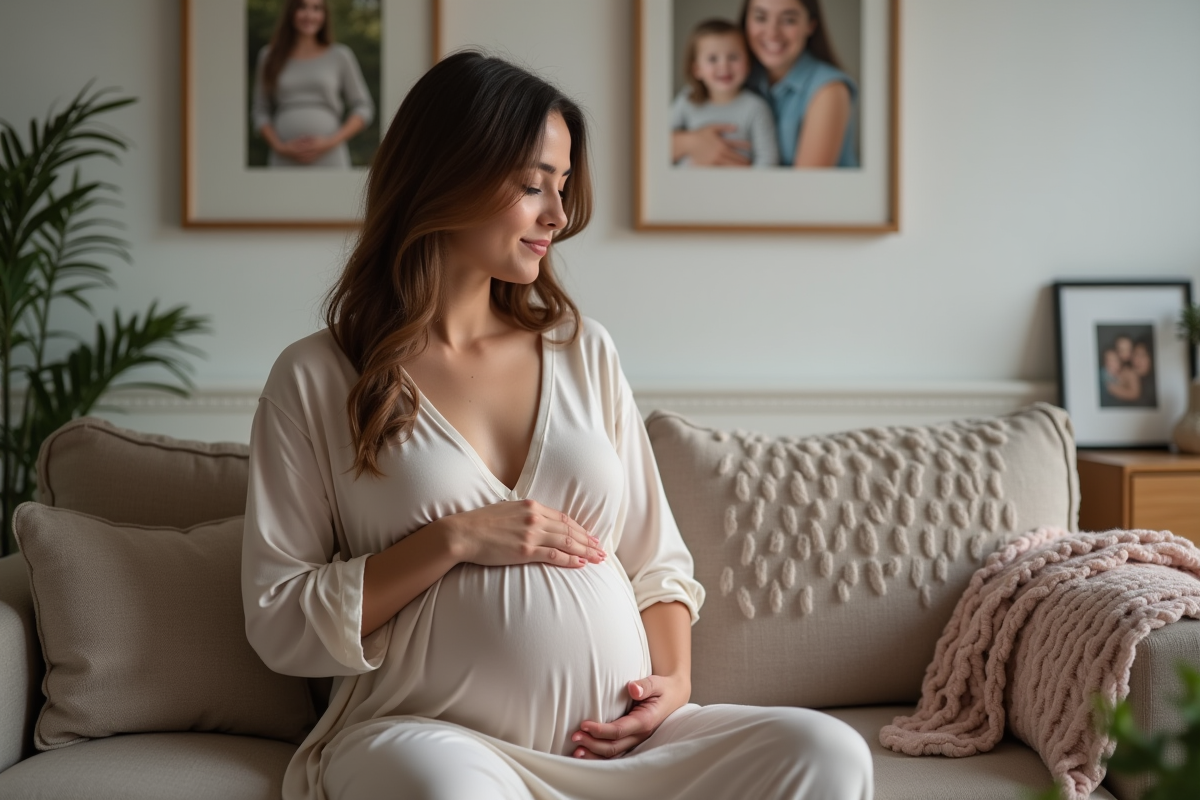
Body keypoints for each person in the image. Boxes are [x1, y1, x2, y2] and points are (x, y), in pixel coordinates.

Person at [242, 51, 873, 800]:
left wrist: (673, 682)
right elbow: (280, 619)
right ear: (447, 175)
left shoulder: (582, 350)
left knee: (827, 752)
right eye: (533, 184)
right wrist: (452, 541)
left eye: (563, 186)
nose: (559, 215)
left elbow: (655, 560)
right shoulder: (317, 377)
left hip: (626, 750)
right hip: (437, 743)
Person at [672, 0, 857, 168]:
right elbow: (657, 149)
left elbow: (806, 188)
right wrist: (692, 143)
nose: (772, 33)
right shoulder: (734, 76)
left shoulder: (829, 90)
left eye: (789, 20)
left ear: (810, 25)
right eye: (761, 17)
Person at [251, 0, 374, 168]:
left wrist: (331, 142)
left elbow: (363, 107)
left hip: (331, 157)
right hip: (283, 159)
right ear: (291, 12)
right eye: (302, 7)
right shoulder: (268, 56)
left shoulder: (340, 55)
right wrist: (279, 147)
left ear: (324, 15)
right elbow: (260, 110)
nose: (309, 15)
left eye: (316, 8)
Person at [670, 18, 778, 167]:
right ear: (697, 69)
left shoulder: (756, 108)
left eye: (733, 57)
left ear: (748, 64)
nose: (724, 66)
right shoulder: (687, 99)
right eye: (712, 59)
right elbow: (657, 142)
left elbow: (768, 160)